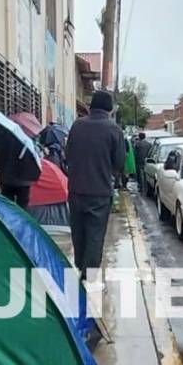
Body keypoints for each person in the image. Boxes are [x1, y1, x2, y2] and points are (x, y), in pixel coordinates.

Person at [65, 90, 126, 277]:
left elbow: (67, 155)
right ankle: (89, 271)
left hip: (76, 188)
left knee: (78, 230)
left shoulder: (77, 126)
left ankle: (80, 264)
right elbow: (119, 162)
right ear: (109, 109)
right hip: (100, 191)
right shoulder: (114, 129)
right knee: (95, 232)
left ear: (91, 107)